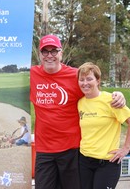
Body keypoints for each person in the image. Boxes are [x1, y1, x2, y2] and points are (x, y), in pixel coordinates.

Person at [30, 34, 125, 189]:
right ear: (39, 55)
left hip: (71, 150)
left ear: (61, 53)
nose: (49, 56)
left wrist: (118, 95)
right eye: (45, 52)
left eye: (54, 51)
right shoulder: (32, 74)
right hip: (44, 150)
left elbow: (95, 92)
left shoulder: (75, 75)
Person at [77, 62, 130, 189]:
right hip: (84, 161)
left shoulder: (112, 100)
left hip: (107, 163)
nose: (85, 83)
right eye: (81, 79)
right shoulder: (80, 103)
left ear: (98, 81)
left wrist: (126, 148)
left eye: (89, 79)